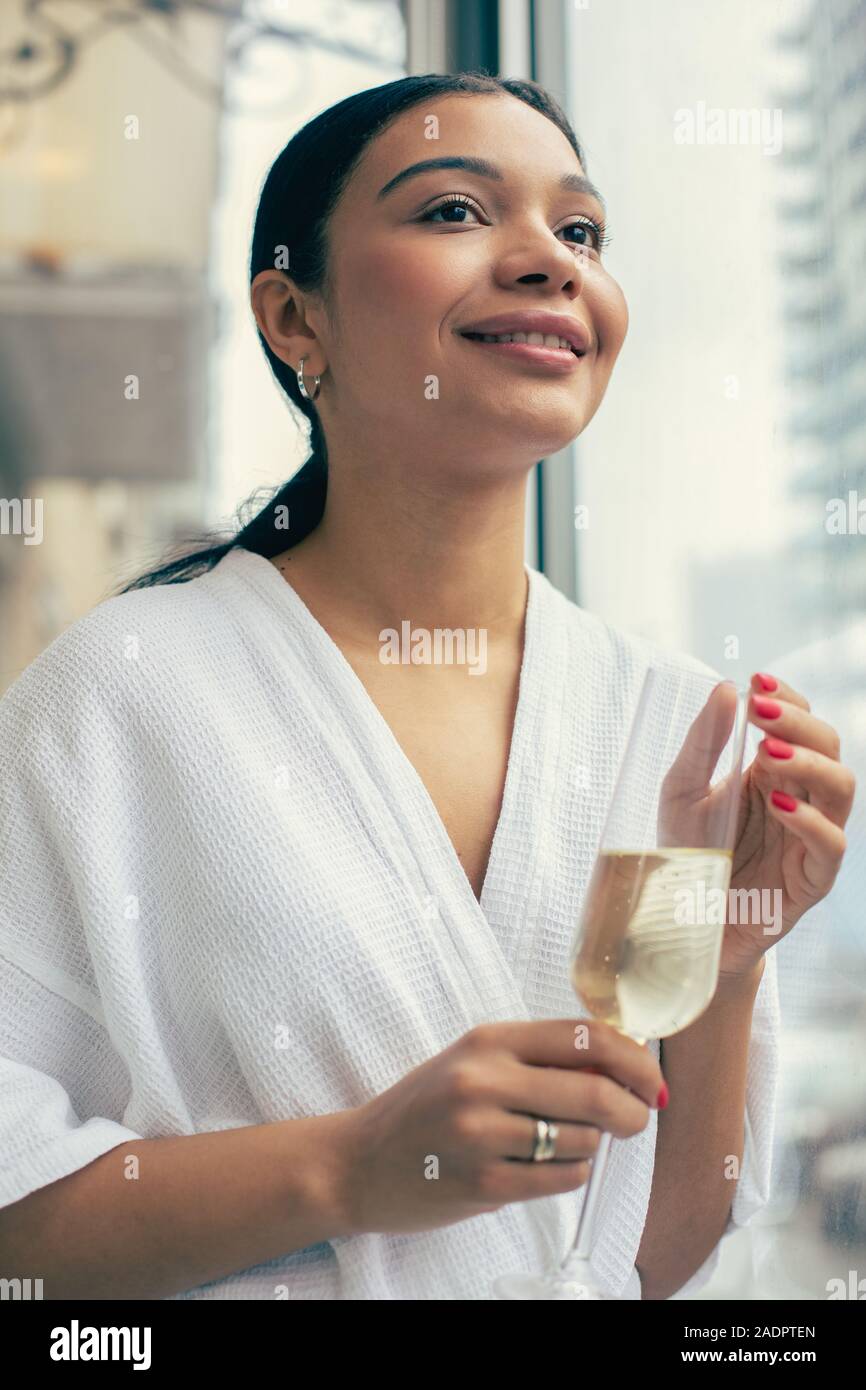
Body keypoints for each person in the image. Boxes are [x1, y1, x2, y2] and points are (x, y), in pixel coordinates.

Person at [0, 72, 854, 1301]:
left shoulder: (666, 726)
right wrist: (349, 1169)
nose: (547, 262)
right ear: (296, 320)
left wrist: (724, 973)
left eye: (579, 231)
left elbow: (640, 1264)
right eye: (455, 210)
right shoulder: (120, 698)